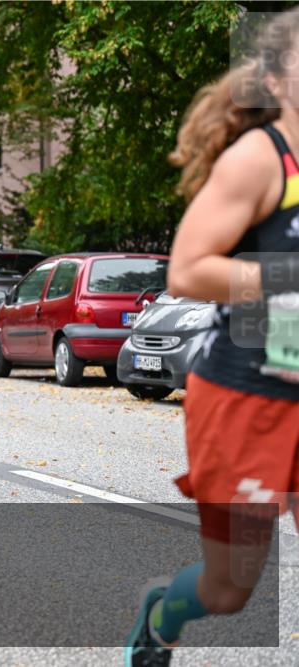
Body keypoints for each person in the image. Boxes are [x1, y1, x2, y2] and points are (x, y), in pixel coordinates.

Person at [124, 12, 299, 667]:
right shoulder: (262, 160)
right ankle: (162, 612)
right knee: (230, 587)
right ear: (278, 80)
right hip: (247, 395)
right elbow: (189, 269)